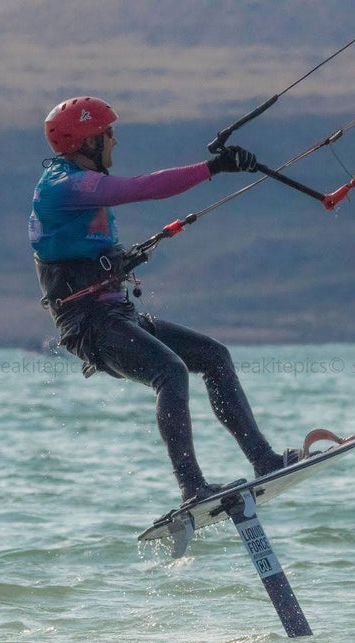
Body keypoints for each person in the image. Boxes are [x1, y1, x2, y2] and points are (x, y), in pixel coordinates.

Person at [30, 96, 300, 505]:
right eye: (108, 135)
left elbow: (76, 252)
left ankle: (265, 461)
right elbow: (146, 188)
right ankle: (192, 487)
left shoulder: (77, 185)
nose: (115, 142)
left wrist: (118, 261)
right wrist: (214, 167)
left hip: (116, 315)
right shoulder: (65, 186)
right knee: (170, 373)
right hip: (90, 327)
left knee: (215, 357)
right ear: (86, 142)